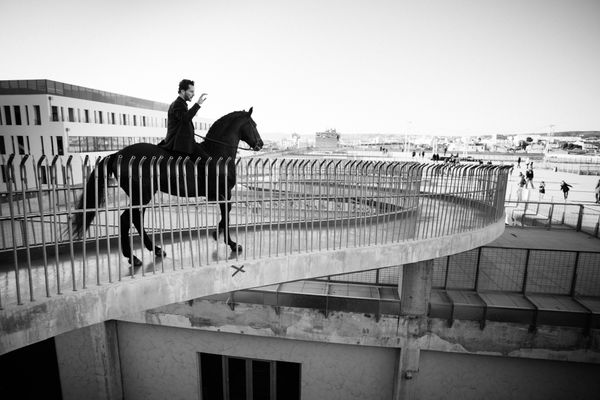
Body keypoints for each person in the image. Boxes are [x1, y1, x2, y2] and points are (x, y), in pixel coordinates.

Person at [158, 79, 208, 155]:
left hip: (182, 144)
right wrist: (197, 104)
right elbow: (185, 119)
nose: (193, 94)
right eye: (191, 91)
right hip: (179, 145)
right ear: (182, 91)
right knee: (206, 162)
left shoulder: (181, 103)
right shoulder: (178, 104)